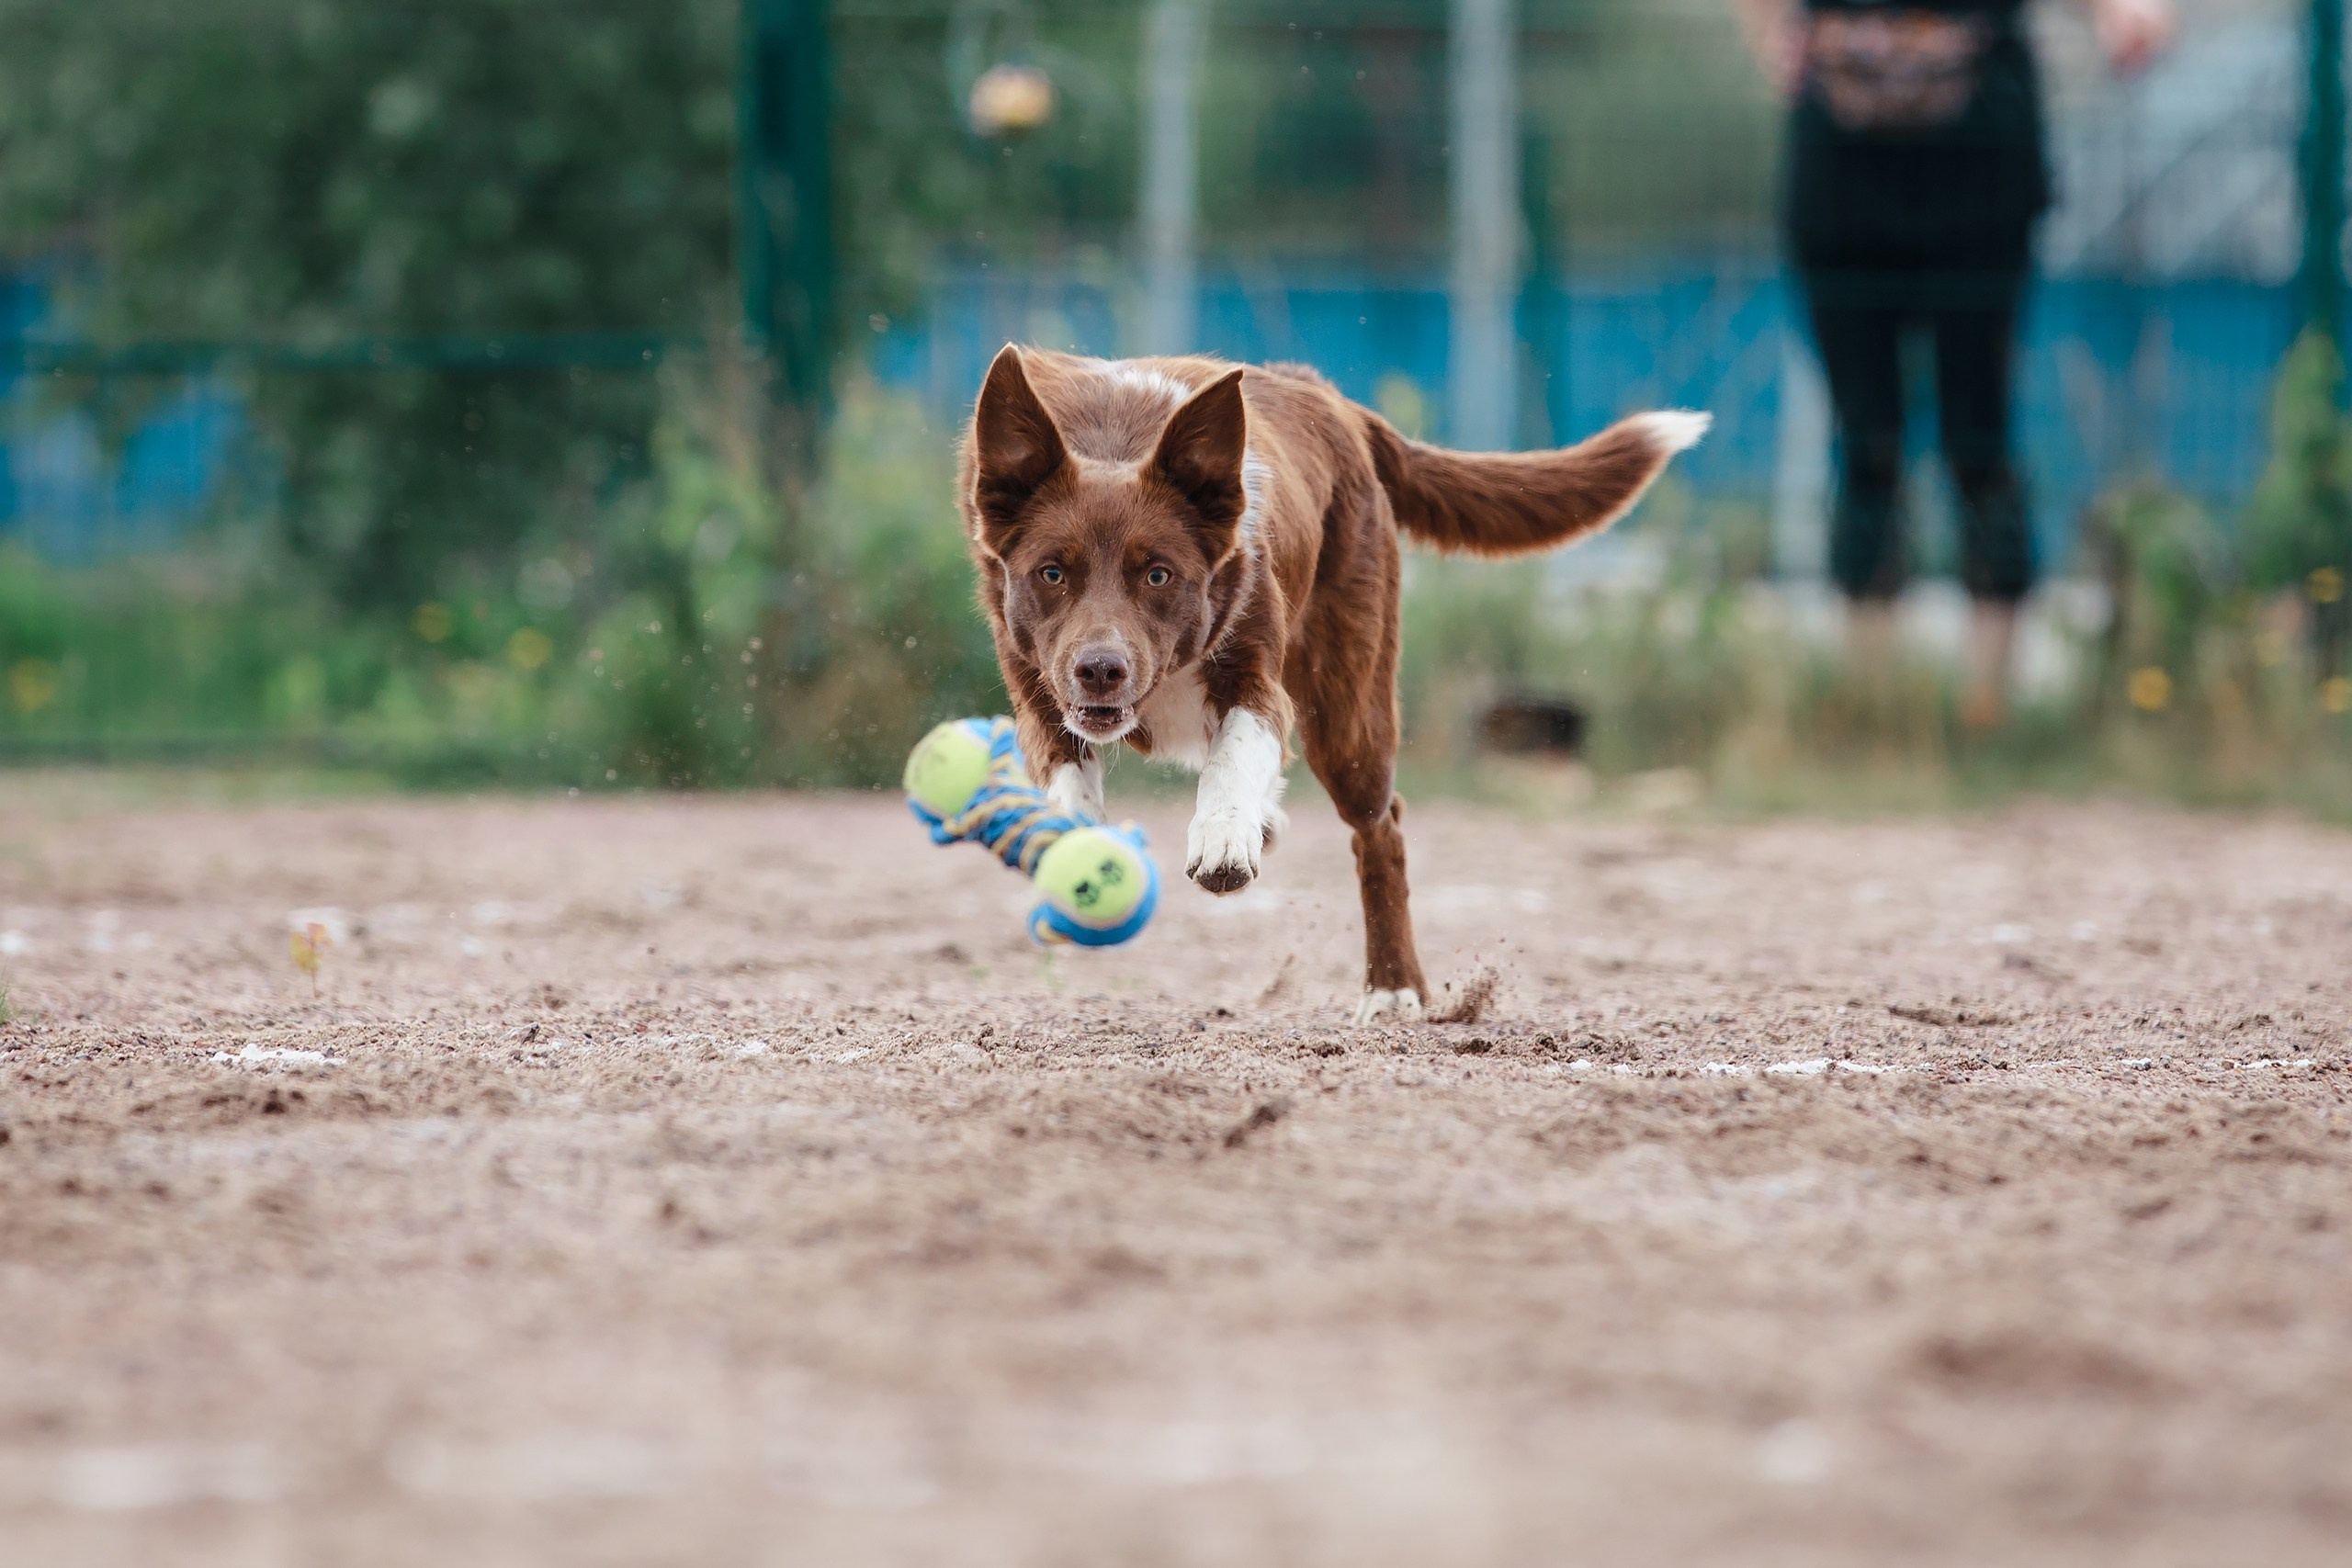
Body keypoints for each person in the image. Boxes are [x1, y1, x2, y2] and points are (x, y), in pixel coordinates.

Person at [1735, 0, 2174, 725]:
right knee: (1866, 439)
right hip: (1843, 172)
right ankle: (1872, 711)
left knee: (1979, 437)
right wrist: (1768, 34)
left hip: (1982, 167)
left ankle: (1985, 711)